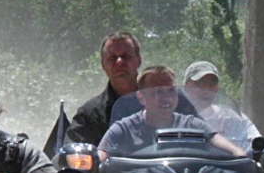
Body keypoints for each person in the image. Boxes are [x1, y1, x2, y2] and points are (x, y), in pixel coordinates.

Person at [98, 66, 246, 160]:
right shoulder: (124, 129)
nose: (167, 98)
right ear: (141, 98)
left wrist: (238, 153)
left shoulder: (190, 124)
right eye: (158, 92)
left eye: (171, 91)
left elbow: (219, 142)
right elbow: (100, 156)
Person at [182, 60, 261, 149]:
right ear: (186, 86)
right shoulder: (175, 117)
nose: (207, 89)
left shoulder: (232, 118)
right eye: (200, 83)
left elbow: (256, 142)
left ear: (217, 88)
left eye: (212, 84)